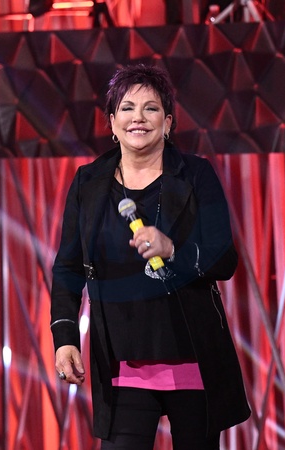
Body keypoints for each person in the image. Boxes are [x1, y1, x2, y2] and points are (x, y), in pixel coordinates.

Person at [50, 64, 250, 449]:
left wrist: (172, 249)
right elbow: (68, 269)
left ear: (168, 122)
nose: (138, 118)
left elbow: (224, 260)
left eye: (151, 108)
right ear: (112, 122)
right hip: (122, 362)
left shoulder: (196, 175)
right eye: (127, 108)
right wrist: (65, 338)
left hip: (192, 357)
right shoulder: (88, 183)